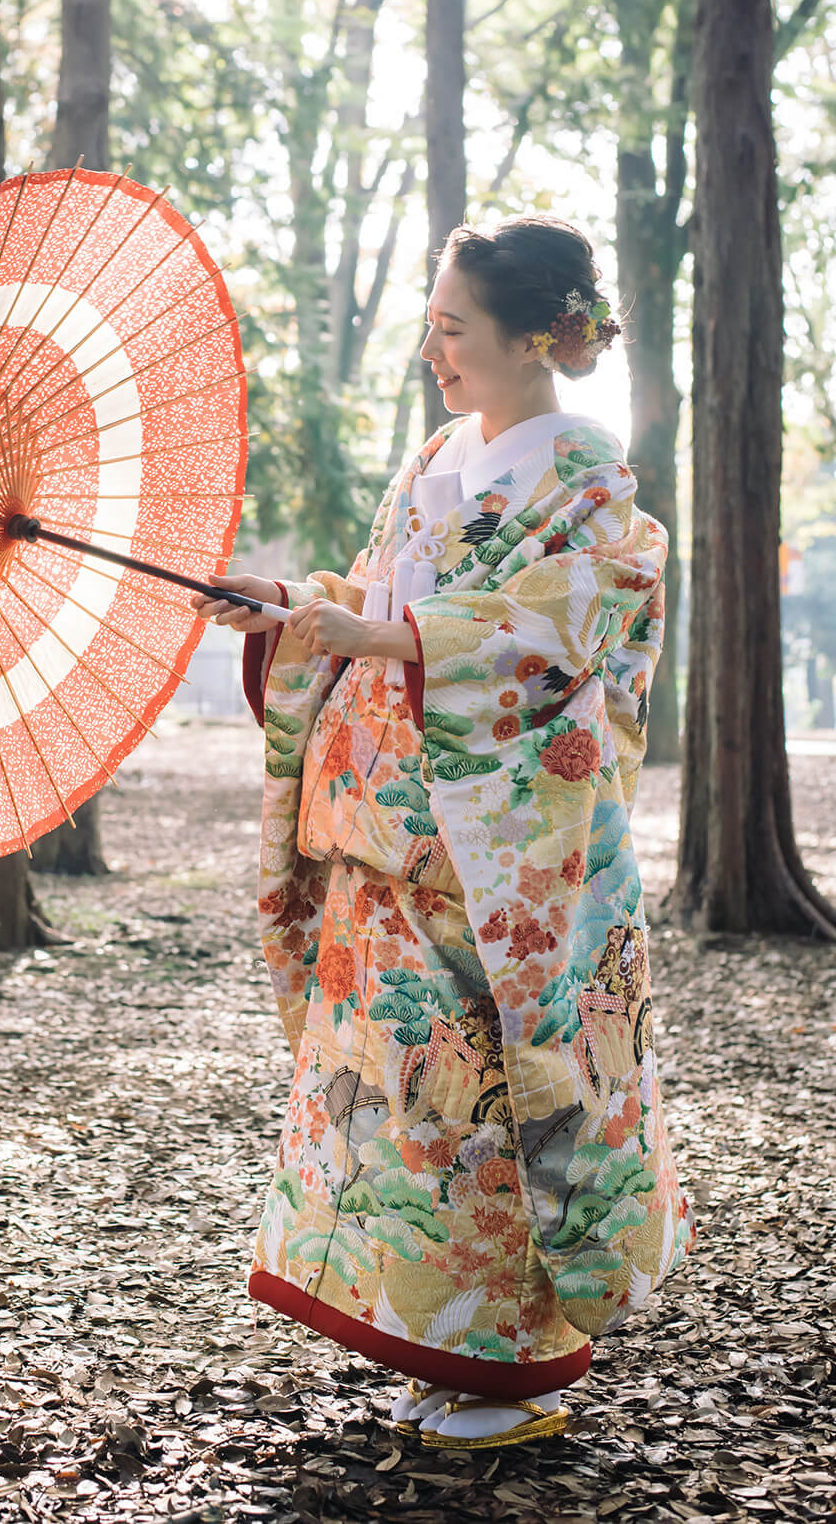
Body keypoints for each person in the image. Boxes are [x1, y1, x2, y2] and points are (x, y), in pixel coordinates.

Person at [192, 217, 694, 1451]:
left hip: (504, 864)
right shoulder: (436, 458)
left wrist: (398, 638)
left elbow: (565, 625)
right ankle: (441, 1346)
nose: (433, 349)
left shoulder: (586, 480)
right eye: (430, 323)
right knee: (411, 1119)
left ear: (537, 336)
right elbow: (383, 599)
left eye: (452, 327)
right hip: (392, 846)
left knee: (498, 1111)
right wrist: (293, 606)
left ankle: (521, 1371)